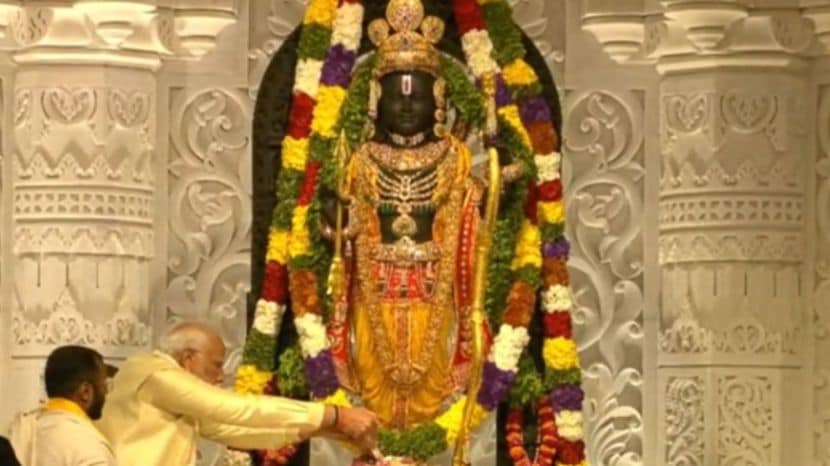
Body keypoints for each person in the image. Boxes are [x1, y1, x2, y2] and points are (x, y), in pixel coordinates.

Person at [98, 321, 379, 466]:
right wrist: (333, 414)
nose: (221, 376)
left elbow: (236, 429)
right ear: (187, 358)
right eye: (215, 366)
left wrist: (322, 428)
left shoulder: (173, 392)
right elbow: (234, 409)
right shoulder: (156, 374)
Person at [8, 345, 115, 466]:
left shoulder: (19, 431)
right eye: (104, 386)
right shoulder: (89, 446)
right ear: (85, 392)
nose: (106, 393)